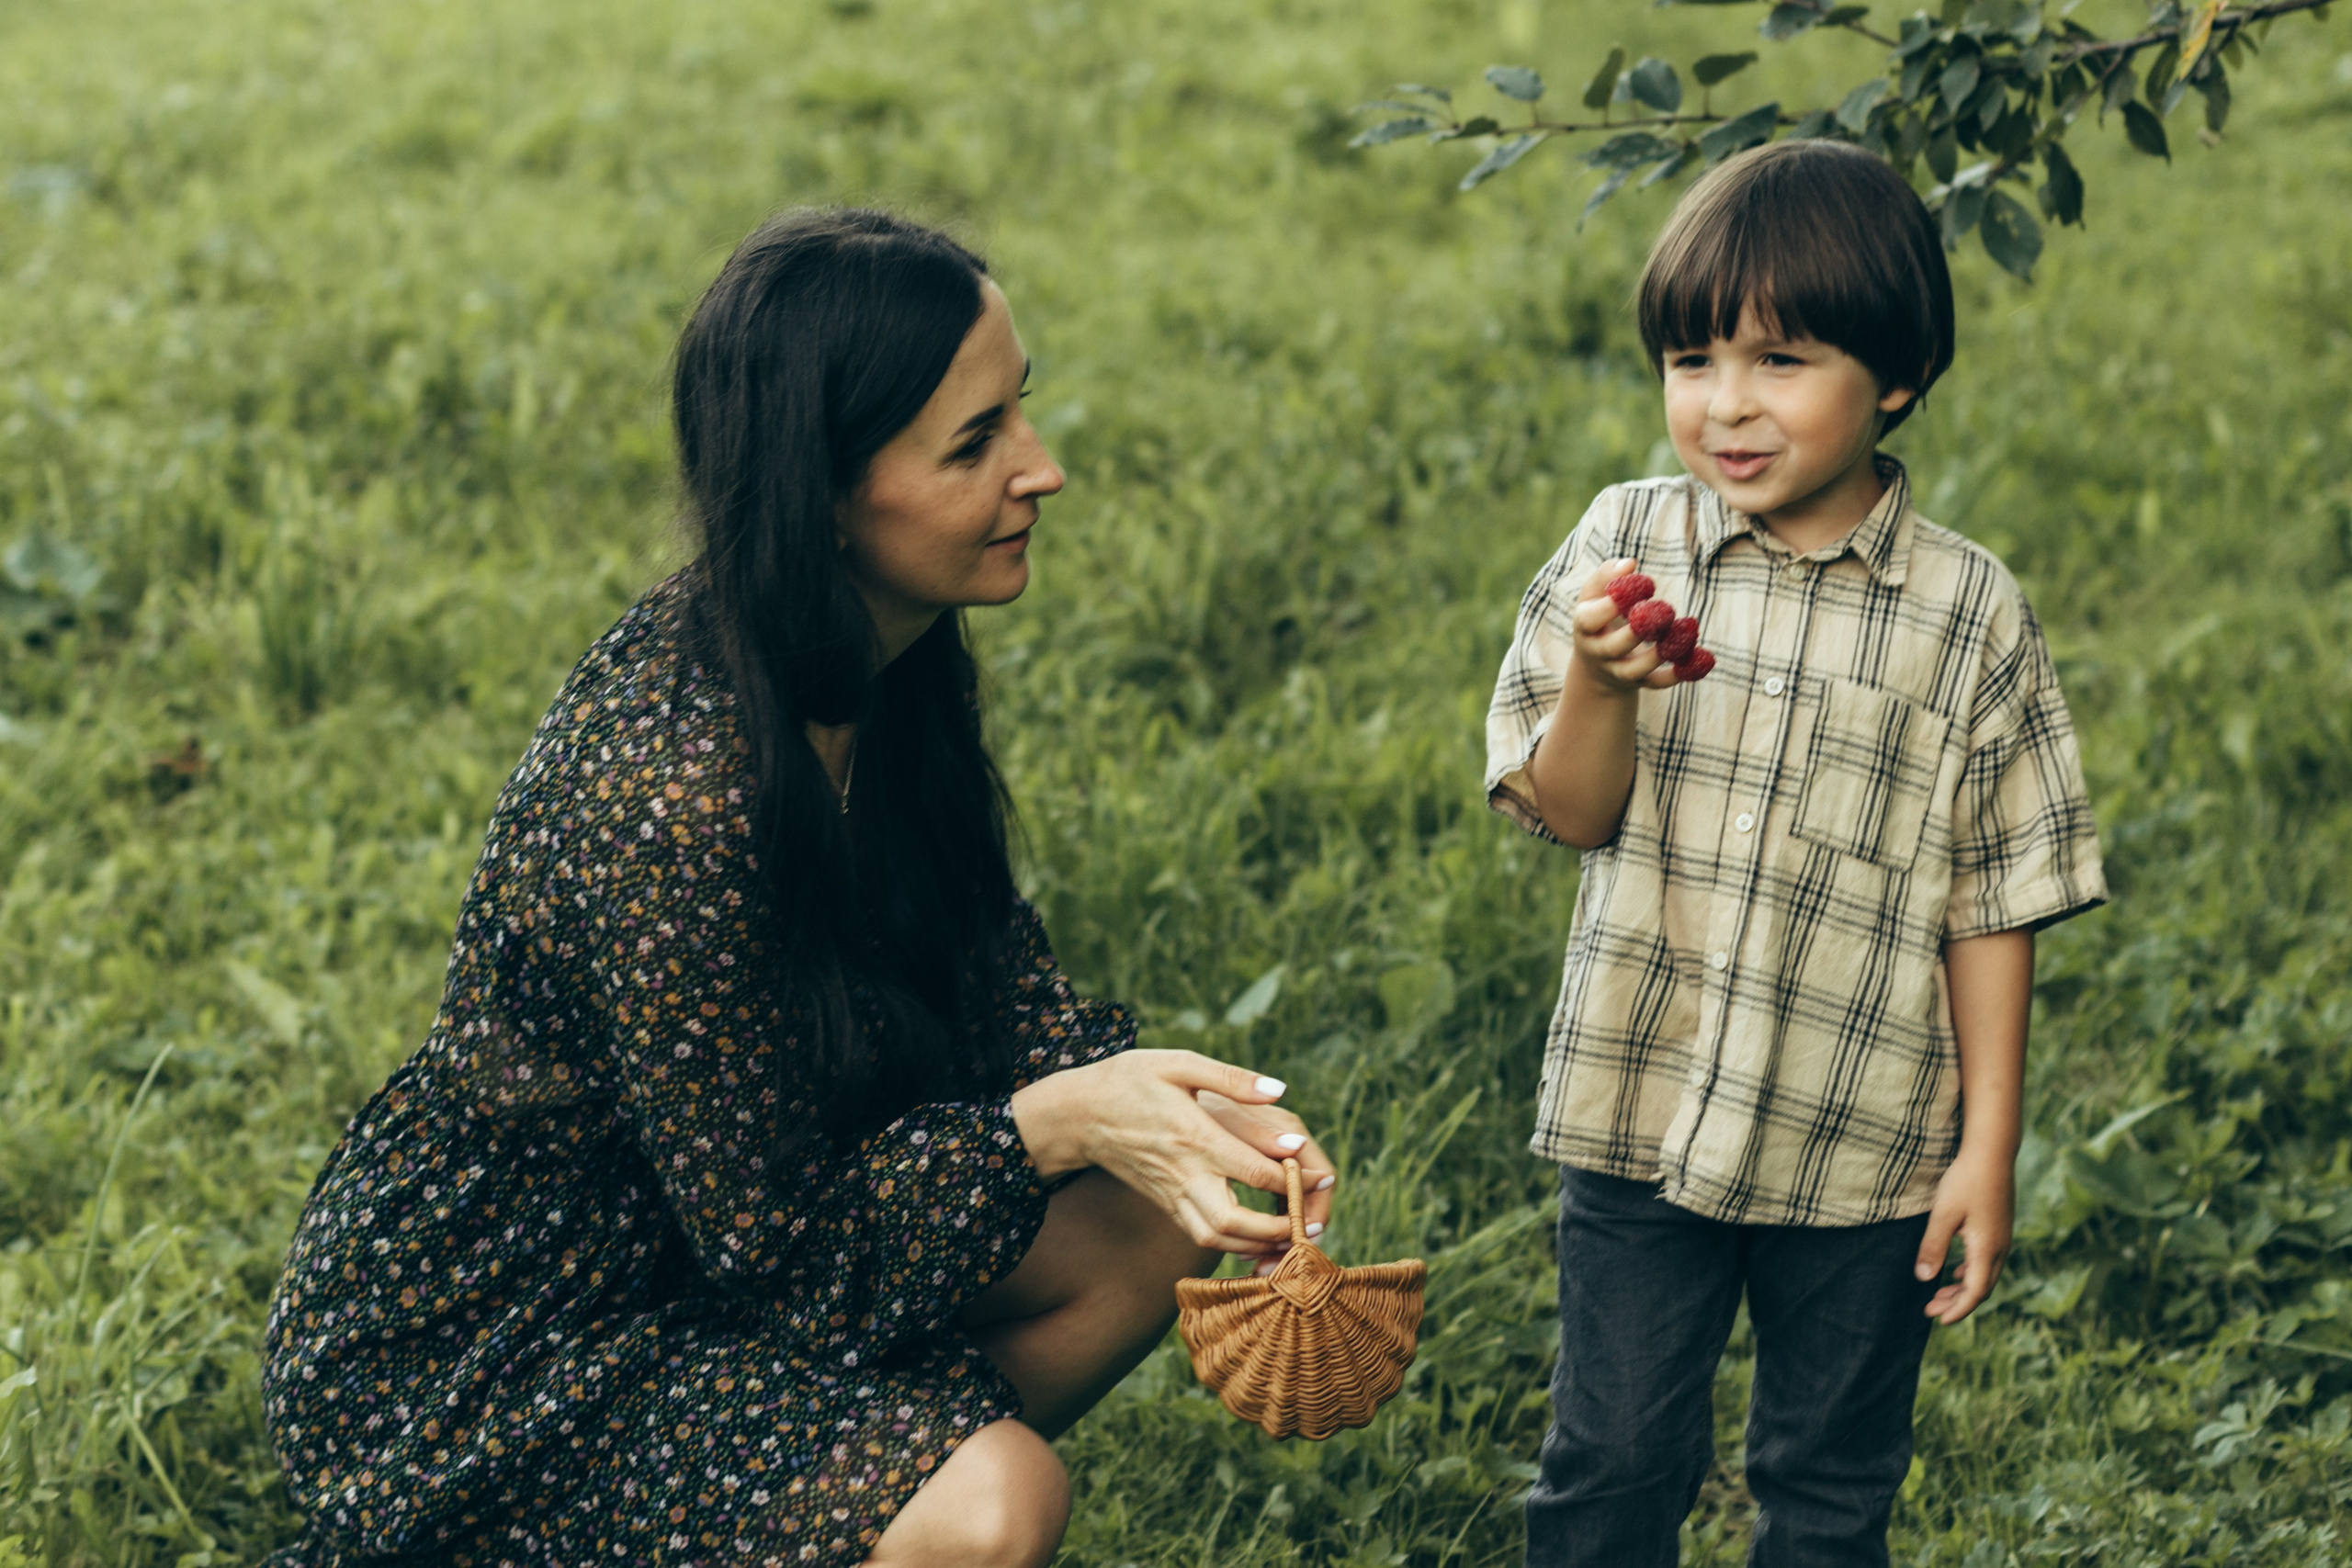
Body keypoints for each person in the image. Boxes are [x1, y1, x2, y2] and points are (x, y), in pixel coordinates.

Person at [259, 209, 1338, 1568]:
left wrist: (1184, 1113)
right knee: (996, 1505)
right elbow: (789, 1268)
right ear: (824, 494)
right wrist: (1050, 1124)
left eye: (1021, 410)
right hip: (499, 1346)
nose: (1042, 469)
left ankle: (823, 1512)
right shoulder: (674, 799)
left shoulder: (878, 643)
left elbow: (984, 968)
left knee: (1153, 1215)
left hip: (714, 1241)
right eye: (974, 444)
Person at [1483, 141, 2107, 1567]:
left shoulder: (1966, 613)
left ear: (1896, 375)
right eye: (1692, 360)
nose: (1727, 404)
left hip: (1867, 1139)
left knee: (1830, 1489)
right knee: (1611, 1462)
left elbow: (1992, 897)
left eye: (1781, 359)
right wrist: (1601, 682)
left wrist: (1988, 1145)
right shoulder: (1625, 546)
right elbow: (1570, 811)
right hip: (1643, 1116)